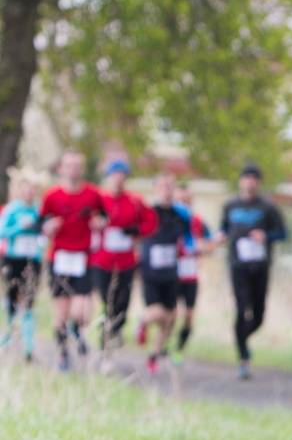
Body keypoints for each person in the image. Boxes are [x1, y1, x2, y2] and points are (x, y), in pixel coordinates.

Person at [39, 151, 104, 370]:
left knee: (82, 311)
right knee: (61, 312)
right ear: (61, 169)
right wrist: (47, 228)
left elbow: (104, 217)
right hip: (60, 258)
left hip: (83, 257)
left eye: (77, 165)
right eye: (69, 165)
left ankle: (77, 329)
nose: (73, 170)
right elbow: (41, 224)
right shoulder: (51, 195)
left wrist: (100, 223)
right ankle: (62, 355)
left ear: (82, 169)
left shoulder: (93, 194)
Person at [222, 163, 287, 380]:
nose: (249, 182)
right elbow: (223, 229)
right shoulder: (230, 206)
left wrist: (265, 236)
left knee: (258, 315)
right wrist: (220, 237)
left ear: (258, 183)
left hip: (260, 267)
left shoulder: (268, 208)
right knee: (242, 310)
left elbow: (283, 233)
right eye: (246, 178)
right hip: (238, 266)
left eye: (254, 179)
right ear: (241, 181)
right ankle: (243, 358)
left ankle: (241, 339)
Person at [91, 159, 149, 367]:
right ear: (108, 176)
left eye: (122, 174)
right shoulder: (99, 199)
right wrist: (95, 224)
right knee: (108, 304)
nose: (118, 178)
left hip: (126, 261)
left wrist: (137, 230)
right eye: (115, 174)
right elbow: (87, 220)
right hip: (102, 261)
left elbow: (149, 223)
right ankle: (105, 351)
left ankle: (116, 329)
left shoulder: (135, 201)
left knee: (122, 304)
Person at [134, 172, 193, 374]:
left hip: (171, 274)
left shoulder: (180, 215)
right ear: (155, 189)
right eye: (163, 186)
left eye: (170, 186)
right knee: (157, 312)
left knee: (169, 319)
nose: (167, 190)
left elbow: (189, 239)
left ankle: (153, 358)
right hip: (151, 274)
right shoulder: (148, 213)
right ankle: (142, 321)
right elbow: (135, 235)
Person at [0, 169, 46, 361]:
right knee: (12, 300)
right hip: (13, 260)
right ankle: (8, 335)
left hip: (32, 261)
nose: (29, 193)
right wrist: (21, 227)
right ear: (21, 191)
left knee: (29, 301)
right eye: (26, 190)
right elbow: (2, 233)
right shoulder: (12, 209)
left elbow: (45, 233)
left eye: (32, 190)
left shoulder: (40, 210)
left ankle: (28, 345)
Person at [170, 182, 214, 365]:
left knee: (188, 316)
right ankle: (163, 344)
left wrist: (202, 246)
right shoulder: (168, 219)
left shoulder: (198, 221)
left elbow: (210, 244)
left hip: (191, 275)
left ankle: (178, 350)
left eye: (187, 200)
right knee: (170, 314)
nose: (184, 203)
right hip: (172, 274)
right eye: (180, 200)